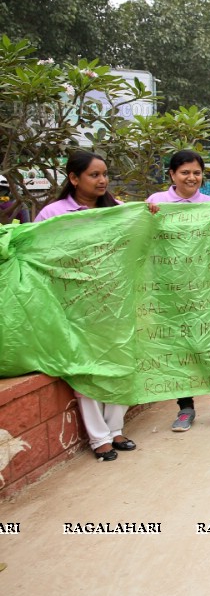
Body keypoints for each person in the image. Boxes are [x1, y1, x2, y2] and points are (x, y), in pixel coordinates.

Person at [35, 152, 133, 461]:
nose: (103, 180)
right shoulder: (54, 213)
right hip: (74, 306)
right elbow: (36, 251)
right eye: (94, 175)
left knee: (120, 363)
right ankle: (99, 438)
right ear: (73, 178)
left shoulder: (117, 211)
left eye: (105, 174)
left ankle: (116, 430)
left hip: (114, 301)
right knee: (85, 368)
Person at [146, 151, 210, 433]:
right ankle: (185, 408)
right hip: (167, 290)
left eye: (197, 172)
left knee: (206, 346)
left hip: (203, 290)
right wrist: (146, 217)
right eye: (185, 172)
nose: (192, 177)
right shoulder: (156, 203)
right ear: (172, 174)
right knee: (177, 349)